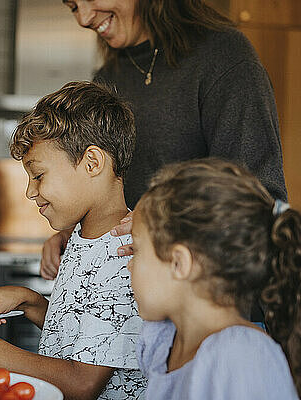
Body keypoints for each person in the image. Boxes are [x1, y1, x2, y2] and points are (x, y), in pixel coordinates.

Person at [41, 0, 287, 280]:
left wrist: (167, 222)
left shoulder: (224, 56)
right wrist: (75, 233)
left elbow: (262, 201)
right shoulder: (108, 78)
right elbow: (106, 192)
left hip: (211, 299)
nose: (84, 18)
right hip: (138, 304)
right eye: (73, 6)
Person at [0, 81, 146, 400]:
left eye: (39, 175)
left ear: (92, 163)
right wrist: (29, 301)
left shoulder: (126, 253)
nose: (30, 192)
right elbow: (86, 338)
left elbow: (82, 383)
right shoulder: (83, 234)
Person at [128, 158, 299, 399]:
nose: (128, 265)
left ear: (179, 263)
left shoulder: (241, 356)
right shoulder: (162, 340)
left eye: (136, 250)